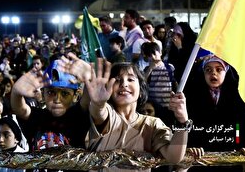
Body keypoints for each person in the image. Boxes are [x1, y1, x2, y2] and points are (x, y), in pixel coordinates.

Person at [59, 53, 190, 172]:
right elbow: (99, 112)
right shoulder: (109, 115)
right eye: (117, 80)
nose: (124, 84)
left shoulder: (153, 123)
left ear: (141, 90)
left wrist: (182, 122)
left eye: (131, 79)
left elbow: (174, 157)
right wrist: (98, 102)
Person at [184, 55, 245, 172]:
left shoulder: (237, 96)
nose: (213, 74)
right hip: (201, 157)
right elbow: (191, 125)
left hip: (230, 157)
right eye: (208, 70)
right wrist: (191, 146)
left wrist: (241, 145)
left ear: (226, 72)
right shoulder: (193, 96)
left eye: (219, 69)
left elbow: (239, 125)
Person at [10, 59, 90, 150]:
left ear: (75, 96)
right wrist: (16, 92)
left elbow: (87, 100)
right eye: (51, 92)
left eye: (65, 94)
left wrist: (90, 75)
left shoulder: (78, 117)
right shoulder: (38, 117)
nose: (57, 100)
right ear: (43, 94)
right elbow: (20, 109)